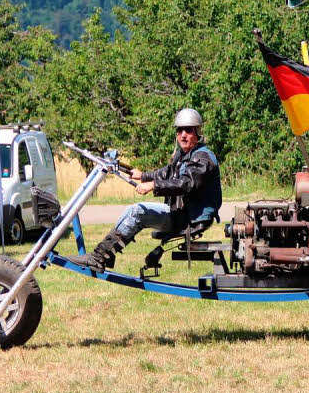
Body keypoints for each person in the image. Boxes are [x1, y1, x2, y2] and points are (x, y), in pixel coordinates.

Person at [67, 108, 223, 274]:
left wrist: (153, 185)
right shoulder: (183, 155)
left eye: (188, 130)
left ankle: (99, 257)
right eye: (179, 130)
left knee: (137, 212)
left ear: (197, 132)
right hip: (180, 213)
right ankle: (105, 254)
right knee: (132, 210)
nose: (183, 135)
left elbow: (186, 183)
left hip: (190, 218)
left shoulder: (202, 157)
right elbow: (167, 173)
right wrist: (143, 176)